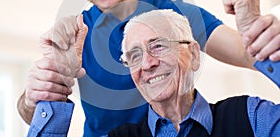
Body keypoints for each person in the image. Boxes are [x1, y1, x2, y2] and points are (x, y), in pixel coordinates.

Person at [18, 0, 280, 136]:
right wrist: (35, 97)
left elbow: (249, 54)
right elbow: (31, 112)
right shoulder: (76, 35)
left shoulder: (178, 14)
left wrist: (254, 28)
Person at [108, 9, 280, 137]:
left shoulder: (250, 116)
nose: (147, 64)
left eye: (158, 46)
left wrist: (270, 51)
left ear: (194, 55)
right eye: (135, 56)